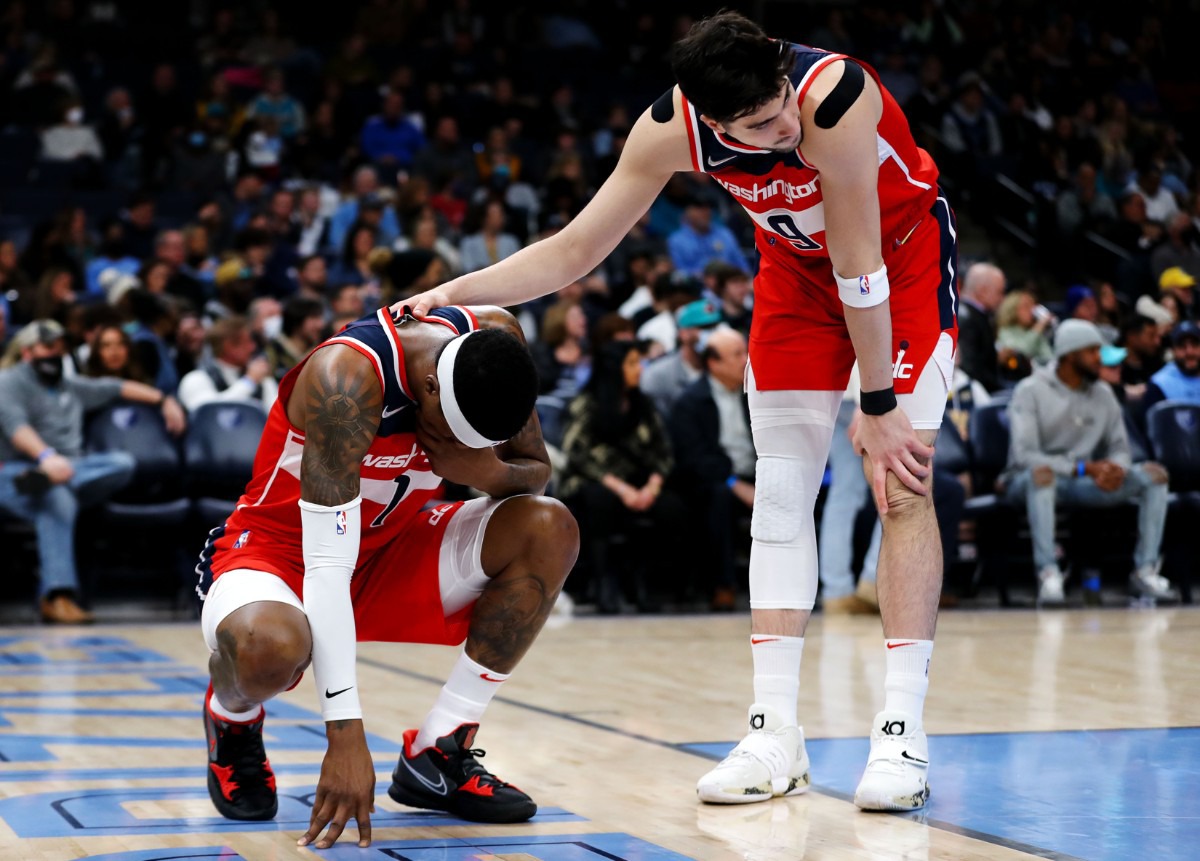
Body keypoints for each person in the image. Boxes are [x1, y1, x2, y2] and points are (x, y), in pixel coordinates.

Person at [399, 11, 957, 811]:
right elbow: (574, 249)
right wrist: (452, 292)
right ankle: (774, 733)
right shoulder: (668, 129)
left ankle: (902, 730)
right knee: (779, 493)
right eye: (757, 127)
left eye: (777, 109)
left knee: (900, 478)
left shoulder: (832, 97)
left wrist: (877, 402)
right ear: (708, 118)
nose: (780, 129)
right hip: (797, 283)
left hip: (896, 269)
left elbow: (860, 264)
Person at [196, 304, 578, 848]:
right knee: (267, 650)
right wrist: (346, 735)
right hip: (284, 554)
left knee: (550, 527)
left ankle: (438, 749)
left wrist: (488, 472)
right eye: (456, 433)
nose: (467, 447)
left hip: (394, 544)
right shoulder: (345, 379)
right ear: (426, 384)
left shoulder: (495, 343)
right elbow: (327, 567)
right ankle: (232, 716)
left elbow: (535, 472)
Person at [0, 320, 185, 623]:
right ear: (27, 352)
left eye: (60, 348)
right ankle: (57, 597)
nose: (55, 354)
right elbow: (15, 427)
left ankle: (53, 482)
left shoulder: (69, 385)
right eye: (48, 348)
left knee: (121, 463)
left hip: (71, 471)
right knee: (58, 498)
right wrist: (46, 458)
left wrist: (165, 400)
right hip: (15, 470)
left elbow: (117, 387)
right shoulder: (8, 382)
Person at [1004, 320, 1176, 605]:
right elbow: (1025, 455)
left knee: (1154, 475)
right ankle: (1048, 575)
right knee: (1042, 475)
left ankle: (1145, 572)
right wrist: (1082, 468)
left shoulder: (1103, 393)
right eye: (1093, 351)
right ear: (1070, 354)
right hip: (1029, 480)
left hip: (1086, 481)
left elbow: (1121, 447)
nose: (1100, 358)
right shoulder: (1030, 390)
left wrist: (1115, 468)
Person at [668, 327, 755, 612]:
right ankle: (723, 585)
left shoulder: (754, 393)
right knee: (718, 498)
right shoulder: (690, 402)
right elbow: (694, 458)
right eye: (737, 354)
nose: (746, 359)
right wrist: (733, 483)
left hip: (755, 473)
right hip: (714, 480)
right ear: (713, 363)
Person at [177, 316, 279, 413]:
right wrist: (249, 382)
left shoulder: (261, 379)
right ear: (229, 346)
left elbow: (277, 415)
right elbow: (209, 414)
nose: (253, 347)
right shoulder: (195, 379)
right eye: (247, 341)